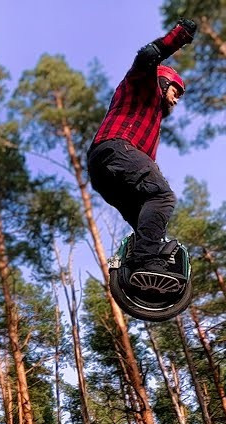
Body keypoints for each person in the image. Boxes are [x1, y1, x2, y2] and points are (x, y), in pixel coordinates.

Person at [88, 18, 197, 293]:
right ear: (163, 83)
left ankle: (134, 275)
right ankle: (147, 260)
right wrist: (180, 36)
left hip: (105, 171)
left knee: (146, 223)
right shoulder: (142, 86)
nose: (177, 99)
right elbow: (147, 56)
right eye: (176, 91)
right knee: (161, 196)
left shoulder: (153, 122)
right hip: (116, 148)